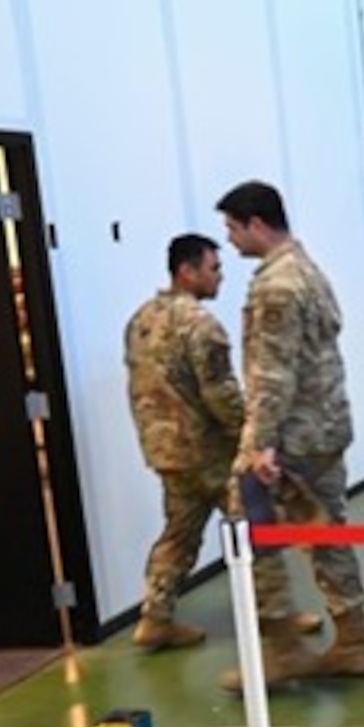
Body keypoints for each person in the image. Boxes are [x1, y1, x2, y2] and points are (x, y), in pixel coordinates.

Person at [215, 179, 364, 687]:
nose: (230, 241)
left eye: (233, 229)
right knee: (327, 530)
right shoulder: (308, 269)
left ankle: (282, 647)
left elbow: (273, 371)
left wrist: (259, 442)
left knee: (249, 526)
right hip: (325, 426)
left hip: (292, 437)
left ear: (257, 224)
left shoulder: (277, 284)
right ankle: (352, 641)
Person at [123, 234, 245, 651]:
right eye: (214, 268)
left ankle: (155, 619)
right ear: (186, 271)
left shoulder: (140, 320)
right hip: (208, 449)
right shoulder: (200, 324)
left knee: (179, 533)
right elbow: (220, 392)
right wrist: (250, 434)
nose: (221, 277)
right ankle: (273, 619)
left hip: (165, 450)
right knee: (253, 526)